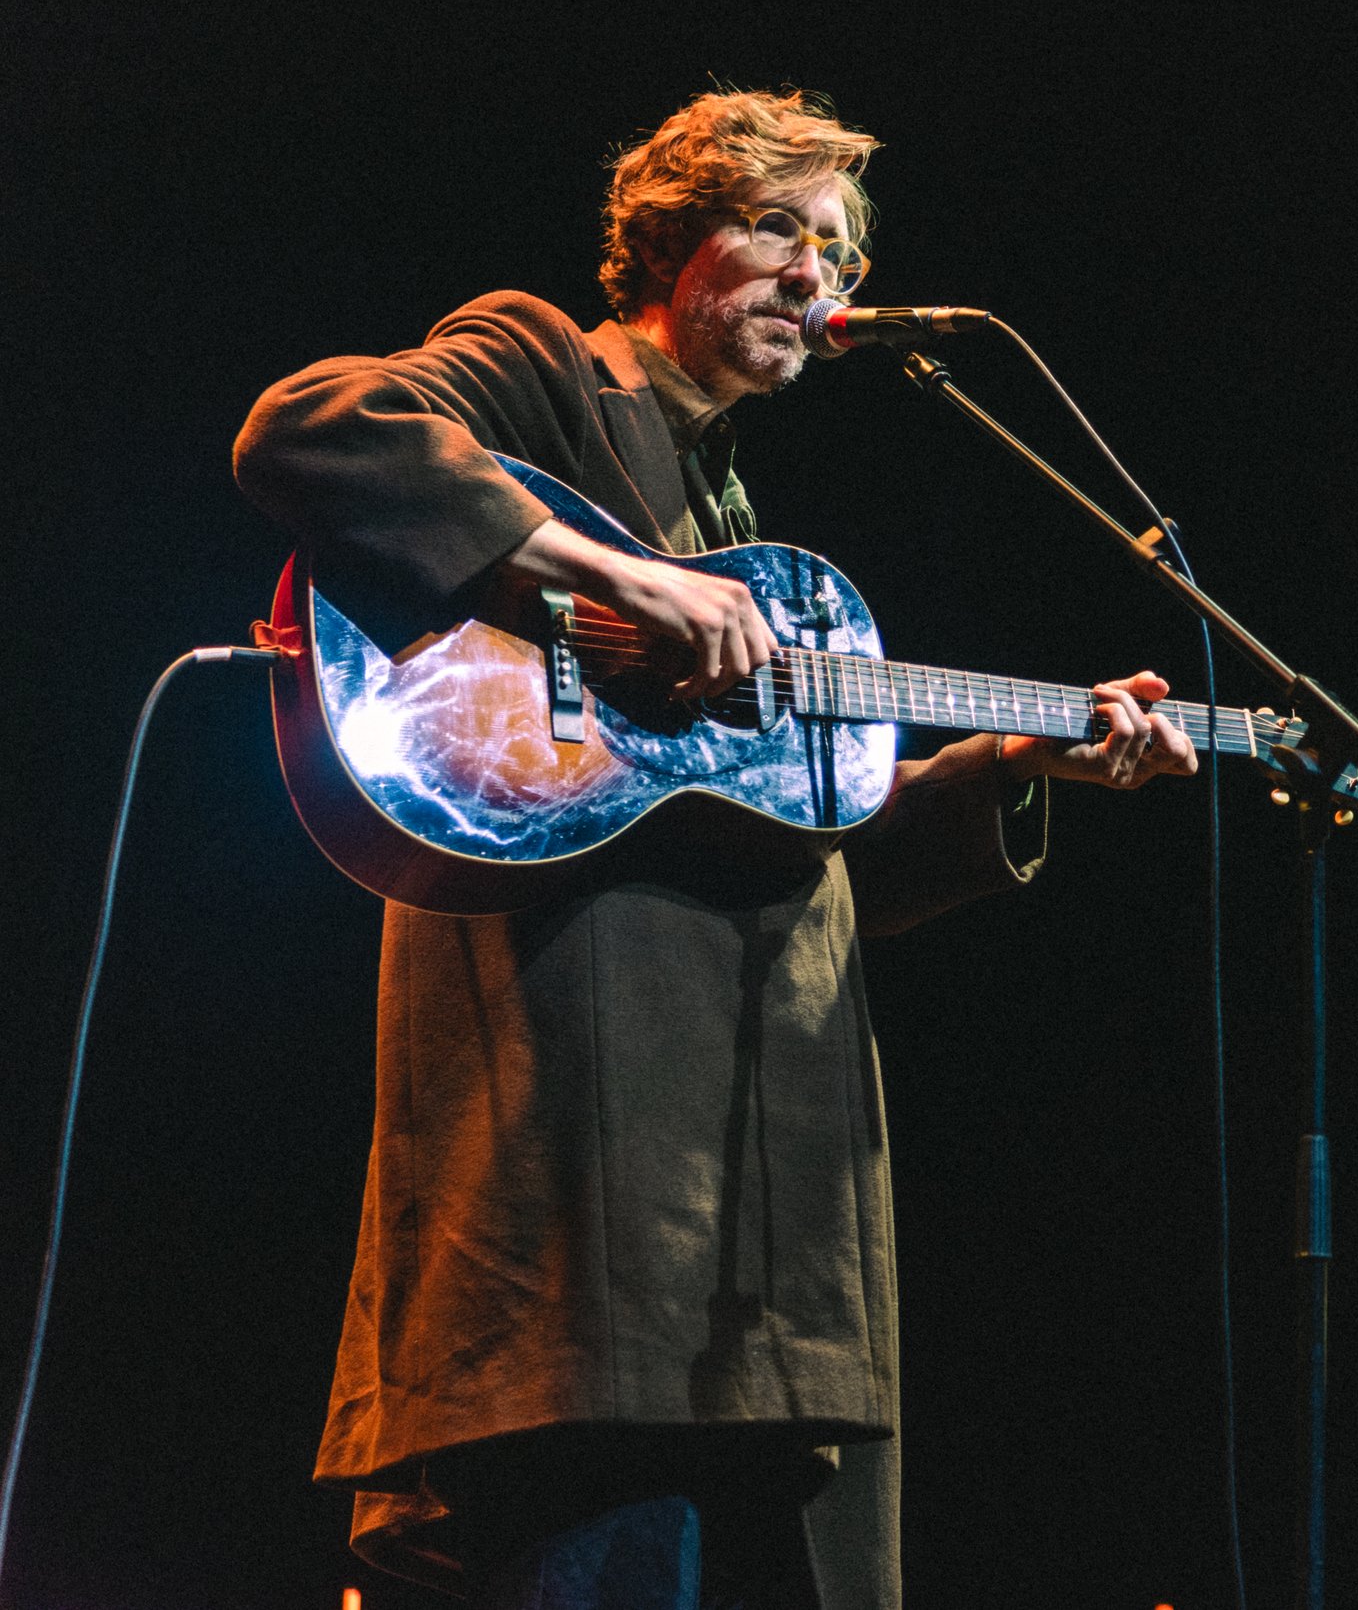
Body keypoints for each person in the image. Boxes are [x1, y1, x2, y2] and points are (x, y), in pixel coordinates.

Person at [233, 89, 1196, 1610]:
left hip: (763, 1202)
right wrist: (600, 567)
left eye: (843, 253)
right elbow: (312, 428)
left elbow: (808, 854)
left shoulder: (730, 506)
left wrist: (1017, 761)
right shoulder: (545, 368)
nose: (820, 277)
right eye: (779, 231)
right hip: (585, 1174)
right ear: (674, 239)